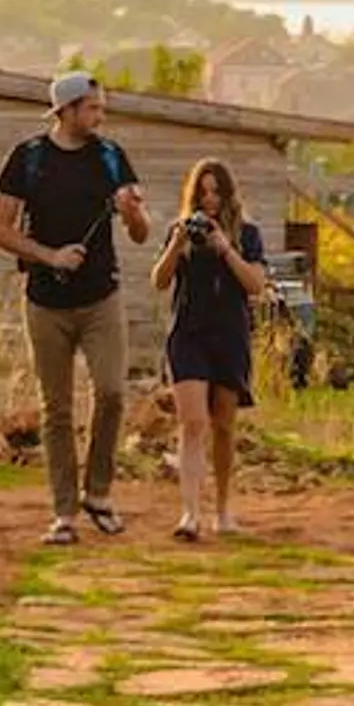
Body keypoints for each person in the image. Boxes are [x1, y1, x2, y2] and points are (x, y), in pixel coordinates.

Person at [0, 71, 151, 545]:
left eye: (102, 108)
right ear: (67, 110)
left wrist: (132, 210)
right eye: (93, 108)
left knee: (113, 393)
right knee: (55, 410)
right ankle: (64, 514)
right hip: (45, 302)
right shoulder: (29, 158)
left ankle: (98, 493)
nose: (100, 116)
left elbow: (140, 233)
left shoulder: (111, 157)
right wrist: (49, 255)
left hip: (102, 297)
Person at [150, 157, 267, 541]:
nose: (209, 199)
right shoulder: (181, 232)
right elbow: (159, 281)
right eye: (202, 192)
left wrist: (225, 248)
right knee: (193, 422)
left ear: (228, 194)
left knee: (224, 426)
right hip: (189, 334)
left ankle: (223, 509)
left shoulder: (247, 234)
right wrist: (178, 244)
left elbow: (255, 285)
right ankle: (189, 513)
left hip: (229, 336)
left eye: (216, 191)